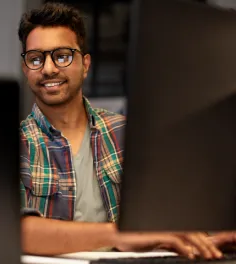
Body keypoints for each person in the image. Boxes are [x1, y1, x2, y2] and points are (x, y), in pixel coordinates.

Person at [18, 2, 234, 259]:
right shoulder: (12, 145)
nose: (49, 68)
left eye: (62, 56)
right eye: (35, 58)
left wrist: (211, 235)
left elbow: (171, 217)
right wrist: (120, 234)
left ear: (85, 65)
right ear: (25, 68)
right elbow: (17, 230)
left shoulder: (129, 135)